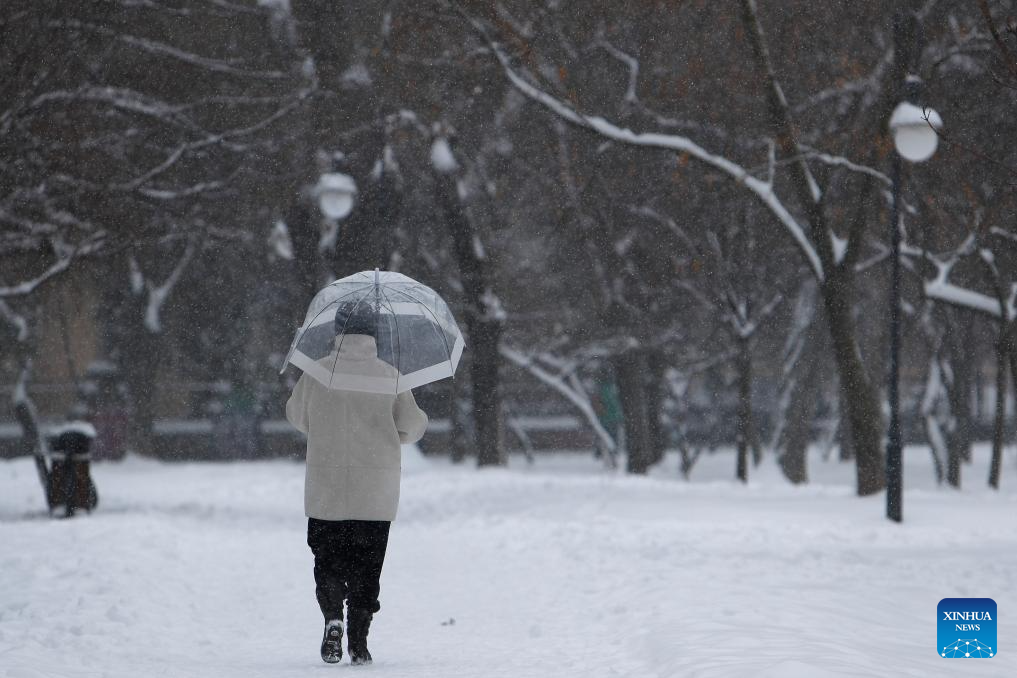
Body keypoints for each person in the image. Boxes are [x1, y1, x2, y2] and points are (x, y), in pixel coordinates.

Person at [286, 302, 428, 665]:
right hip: (374, 494)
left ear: (337, 331)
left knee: (328, 560)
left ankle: (333, 614)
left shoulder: (316, 373)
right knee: (367, 567)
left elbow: (297, 416)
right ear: (374, 332)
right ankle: (359, 641)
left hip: (327, 488)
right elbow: (412, 427)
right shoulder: (390, 376)